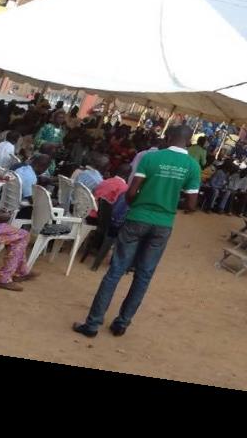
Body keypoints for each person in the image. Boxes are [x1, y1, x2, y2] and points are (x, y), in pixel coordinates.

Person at [73, 125, 200, 338]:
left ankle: (92, 324)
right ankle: (121, 324)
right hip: (163, 224)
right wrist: (169, 200)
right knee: (143, 275)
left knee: (115, 271)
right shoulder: (193, 166)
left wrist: (141, 203)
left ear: (169, 137)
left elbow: (130, 193)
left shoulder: (151, 158)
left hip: (137, 218)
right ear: (189, 141)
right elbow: (191, 205)